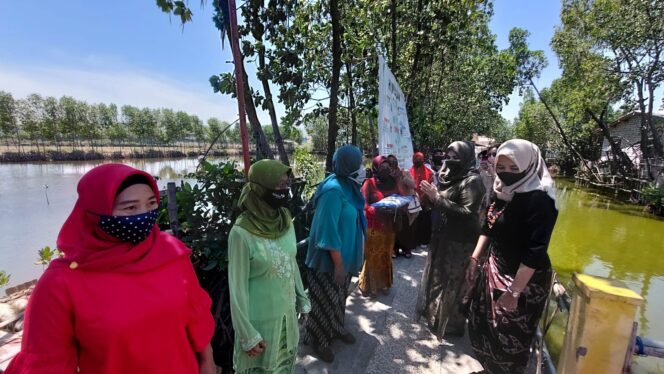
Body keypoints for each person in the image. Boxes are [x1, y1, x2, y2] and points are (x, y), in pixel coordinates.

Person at [6, 164, 215, 374]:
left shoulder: (170, 254)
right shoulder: (61, 284)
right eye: (130, 208)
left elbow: (196, 316)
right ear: (96, 211)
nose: (144, 215)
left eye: (151, 203)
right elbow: (47, 362)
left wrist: (208, 364)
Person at [466, 139, 558, 374]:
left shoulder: (540, 200)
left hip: (523, 280)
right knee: (485, 326)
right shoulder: (501, 191)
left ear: (530, 166)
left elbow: (535, 252)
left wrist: (514, 292)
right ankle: (488, 369)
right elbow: (488, 226)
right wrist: (474, 260)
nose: (506, 174)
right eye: (502, 167)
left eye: (514, 168)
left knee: (510, 337)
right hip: (495, 266)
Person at [228, 160, 311, 374]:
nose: (285, 191)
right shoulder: (241, 232)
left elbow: (290, 261)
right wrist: (247, 334)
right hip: (259, 329)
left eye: (286, 185)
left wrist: (302, 298)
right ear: (259, 188)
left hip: (286, 320)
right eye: (279, 186)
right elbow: (236, 288)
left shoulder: (285, 220)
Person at [303, 145, 367, 363]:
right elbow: (327, 233)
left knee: (339, 299)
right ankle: (319, 341)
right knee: (324, 302)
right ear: (349, 164)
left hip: (344, 260)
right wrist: (338, 266)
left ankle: (337, 328)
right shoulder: (333, 191)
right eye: (359, 162)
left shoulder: (349, 186)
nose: (362, 166)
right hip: (328, 262)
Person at [416, 141, 486, 339]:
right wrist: (430, 197)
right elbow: (439, 203)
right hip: (443, 236)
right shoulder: (448, 176)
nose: (450, 161)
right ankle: (435, 317)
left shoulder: (473, 181)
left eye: (456, 157)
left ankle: (451, 325)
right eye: (449, 156)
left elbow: (466, 212)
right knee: (437, 277)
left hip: (461, 242)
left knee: (453, 282)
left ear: (466, 158)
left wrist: (437, 198)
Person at [358, 156, 399, 297]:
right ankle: (370, 285)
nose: (385, 170)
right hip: (373, 227)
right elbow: (362, 203)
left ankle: (385, 283)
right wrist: (374, 209)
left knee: (386, 255)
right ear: (375, 168)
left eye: (388, 168)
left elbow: (400, 199)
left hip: (389, 227)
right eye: (382, 168)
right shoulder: (369, 183)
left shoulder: (394, 183)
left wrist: (396, 208)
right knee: (373, 256)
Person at [409, 152, 434, 248]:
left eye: (420, 159)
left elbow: (432, 185)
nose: (417, 160)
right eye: (416, 158)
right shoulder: (409, 171)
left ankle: (424, 241)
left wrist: (425, 197)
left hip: (425, 202)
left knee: (425, 222)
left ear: (423, 159)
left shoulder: (429, 172)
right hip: (413, 202)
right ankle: (415, 242)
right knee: (414, 223)